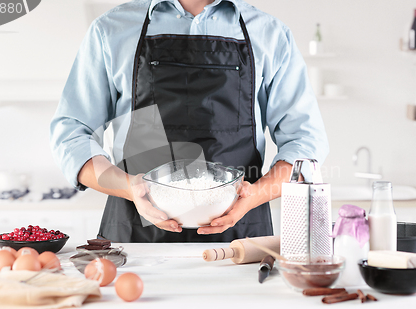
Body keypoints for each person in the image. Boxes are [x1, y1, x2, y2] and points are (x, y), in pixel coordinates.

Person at [50, 0, 329, 243]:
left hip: (239, 242)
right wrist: (128, 187)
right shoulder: (111, 29)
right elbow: (72, 134)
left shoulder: (270, 34)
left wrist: (254, 195)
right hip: (136, 240)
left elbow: (306, 142)